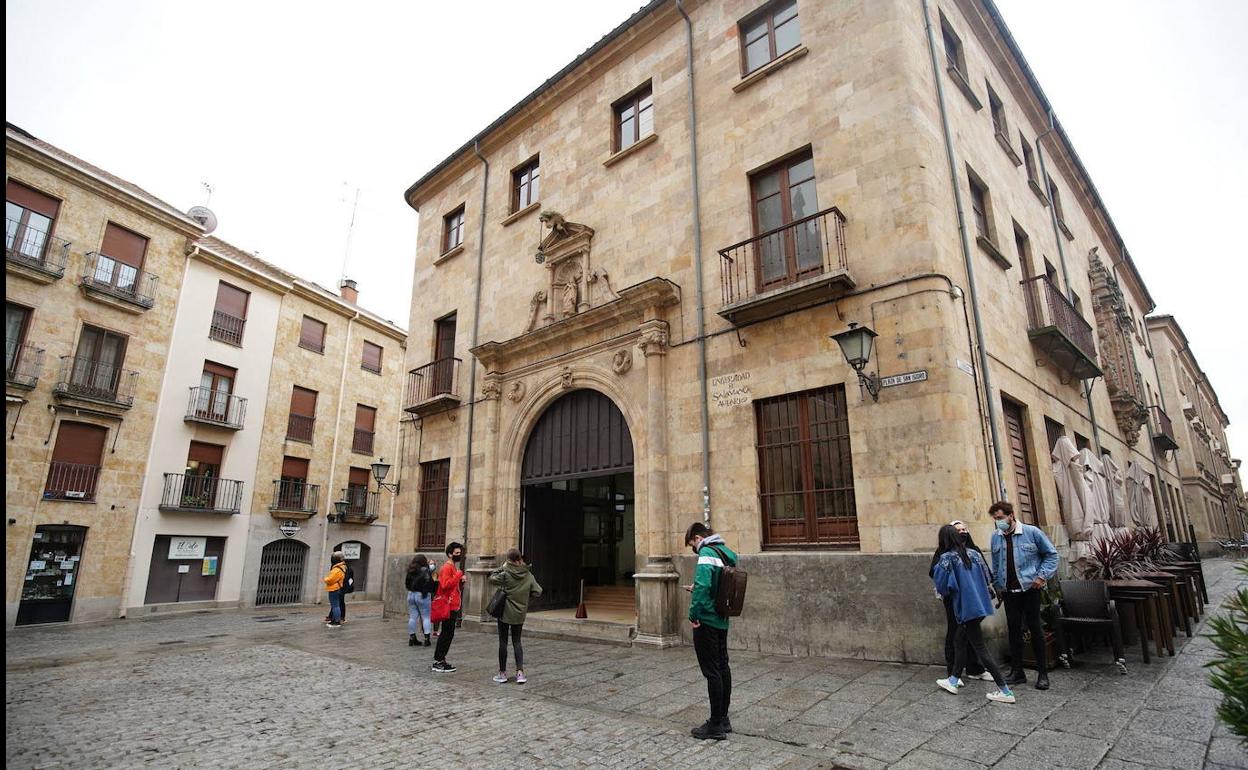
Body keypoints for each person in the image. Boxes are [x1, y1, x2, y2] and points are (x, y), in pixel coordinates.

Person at [931, 524, 1016, 704]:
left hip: (965, 607)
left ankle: (1005, 690)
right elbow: (987, 577)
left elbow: (943, 586)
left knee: (980, 648)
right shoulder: (975, 554)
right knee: (959, 641)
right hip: (981, 606)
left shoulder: (946, 559)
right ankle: (953, 680)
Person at [989, 501, 1060, 690]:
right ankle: (1017, 672)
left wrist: (1041, 577)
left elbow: (1052, 555)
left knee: (1036, 629)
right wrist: (998, 588)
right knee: (1013, 631)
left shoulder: (1032, 532)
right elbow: (996, 565)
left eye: (1001, 518)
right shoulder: (996, 537)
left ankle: (1042, 673)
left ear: (1011, 515)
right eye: (995, 519)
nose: (998, 522)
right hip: (1009, 591)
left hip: (1030, 589)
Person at [685, 522, 736, 740]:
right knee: (723, 667)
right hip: (722, 618)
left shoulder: (706, 551)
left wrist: (693, 613)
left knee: (711, 671)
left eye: (691, 545)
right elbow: (720, 583)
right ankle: (723, 718)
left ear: (697, 538)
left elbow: (705, 585)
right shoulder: (727, 552)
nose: (693, 550)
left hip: (706, 619)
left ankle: (714, 725)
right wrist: (698, 587)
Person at [930, 520, 993, 684]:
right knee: (957, 636)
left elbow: (986, 574)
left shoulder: (973, 552)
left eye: (964, 529)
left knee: (969, 639)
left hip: (971, 600)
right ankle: (953, 674)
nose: (962, 532)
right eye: (958, 530)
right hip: (956, 601)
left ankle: (972, 670)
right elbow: (937, 575)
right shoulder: (944, 555)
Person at [488, 548, 543, 684]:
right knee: (517, 641)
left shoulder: (505, 573)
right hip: (519, 613)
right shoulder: (528, 575)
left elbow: (491, 578)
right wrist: (526, 596)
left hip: (505, 613)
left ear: (509, 560)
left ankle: (502, 673)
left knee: (503, 642)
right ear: (520, 559)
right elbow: (538, 591)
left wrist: (502, 567)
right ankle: (520, 673)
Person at [430, 541, 465, 673]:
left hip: (453, 605)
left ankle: (441, 659)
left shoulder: (453, 568)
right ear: (450, 554)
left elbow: (452, 585)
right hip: (448, 606)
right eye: (456, 553)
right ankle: (438, 661)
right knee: (446, 634)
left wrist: (460, 580)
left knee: (448, 634)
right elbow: (444, 585)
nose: (458, 555)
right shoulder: (447, 568)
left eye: (460, 553)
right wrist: (458, 576)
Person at [405, 555, 435, 647]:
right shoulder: (426, 570)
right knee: (426, 617)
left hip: (411, 594)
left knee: (413, 617)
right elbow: (432, 568)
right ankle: (427, 639)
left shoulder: (410, 570)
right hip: (422, 595)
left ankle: (412, 638)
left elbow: (406, 583)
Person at [322, 551, 347, 628]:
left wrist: (325, 579)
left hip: (334, 589)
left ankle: (336, 621)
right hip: (336, 588)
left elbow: (330, 579)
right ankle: (334, 619)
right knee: (335, 605)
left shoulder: (337, 569)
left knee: (335, 606)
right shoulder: (340, 567)